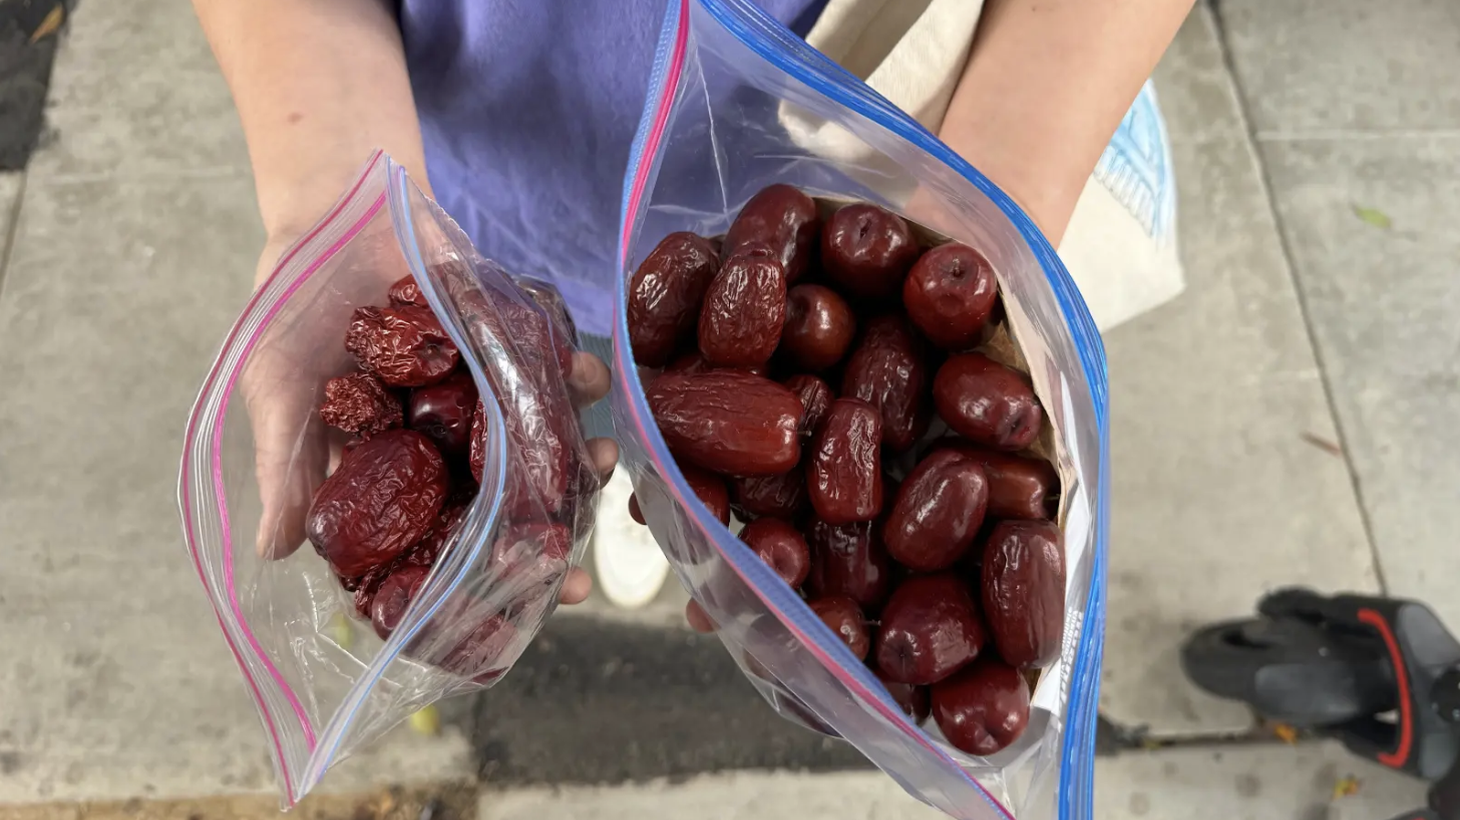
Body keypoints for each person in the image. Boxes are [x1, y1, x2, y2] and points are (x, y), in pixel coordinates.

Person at [192, 0, 1195, 621]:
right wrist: (332, 194)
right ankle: (676, 483)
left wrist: (992, 192)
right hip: (497, 190)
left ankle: (692, 488)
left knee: (705, 420)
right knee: (586, 381)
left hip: (898, 150)